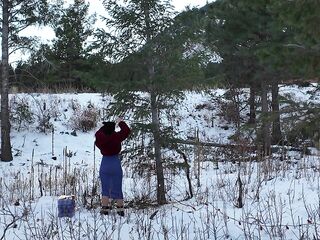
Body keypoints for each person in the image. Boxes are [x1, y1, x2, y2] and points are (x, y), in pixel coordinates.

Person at [95, 117, 131, 216]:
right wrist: (120, 122)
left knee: (105, 188)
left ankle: (105, 209)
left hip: (105, 163)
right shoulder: (116, 136)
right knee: (118, 187)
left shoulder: (101, 138)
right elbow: (126, 131)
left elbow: (97, 134)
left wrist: (103, 127)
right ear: (113, 129)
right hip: (115, 162)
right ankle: (120, 210)